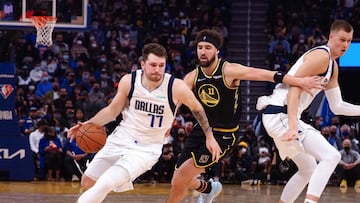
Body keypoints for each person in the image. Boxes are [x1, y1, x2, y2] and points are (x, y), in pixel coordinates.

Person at [167, 29, 323, 203]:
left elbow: (265, 74)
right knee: (177, 180)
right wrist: (169, 121)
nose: (203, 51)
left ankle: (207, 189)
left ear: (217, 51)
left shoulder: (229, 70)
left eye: (208, 47)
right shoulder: (193, 76)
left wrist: (298, 81)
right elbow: (177, 100)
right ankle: (210, 188)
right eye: (200, 47)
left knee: (180, 178)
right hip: (201, 129)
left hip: (223, 135)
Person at [67, 43, 221, 203]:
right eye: (153, 65)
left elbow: (198, 108)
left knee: (106, 182)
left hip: (146, 148)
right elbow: (112, 110)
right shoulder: (129, 81)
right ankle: (208, 188)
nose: (157, 69)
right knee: (88, 182)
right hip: (121, 138)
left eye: (161, 65)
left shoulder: (176, 87)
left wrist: (209, 135)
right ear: (142, 64)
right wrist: (87, 124)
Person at [256, 19, 360, 203]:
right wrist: (293, 126)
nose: (346, 45)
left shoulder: (332, 66)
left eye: (349, 41)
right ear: (331, 37)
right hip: (281, 114)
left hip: (283, 116)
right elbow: (294, 87)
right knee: (332, 156)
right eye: (342, 39)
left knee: (308, 169)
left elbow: (337, 106)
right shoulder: (321, 56)